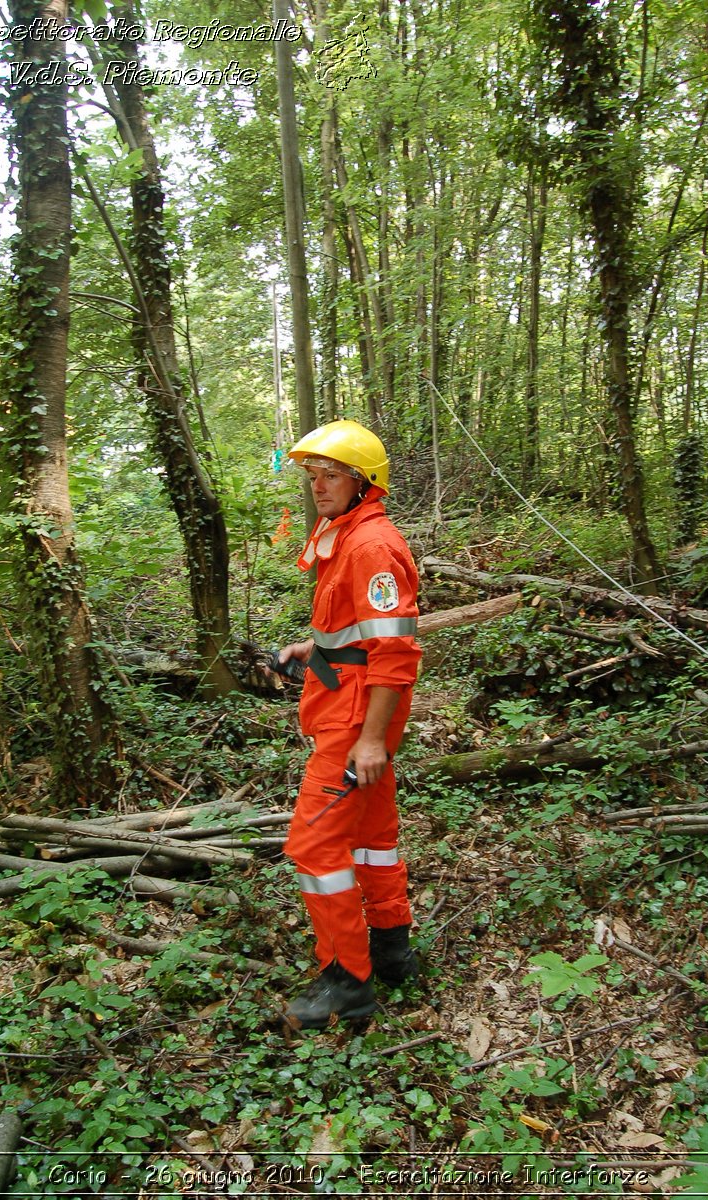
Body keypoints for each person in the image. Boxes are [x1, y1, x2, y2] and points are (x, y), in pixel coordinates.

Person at [275, 419, 421, 1030]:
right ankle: (391, 948)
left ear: (364, 481)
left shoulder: (369, 547)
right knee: (371, 836)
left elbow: (397, 653)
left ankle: (347, 978)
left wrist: (367, 739)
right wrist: (317, 652)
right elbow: (359, 636)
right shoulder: (349, 536)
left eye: (330, 475)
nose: (318, 486)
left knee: (313, 847)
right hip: (352, 714)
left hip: (355, 726)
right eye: (313, 476)